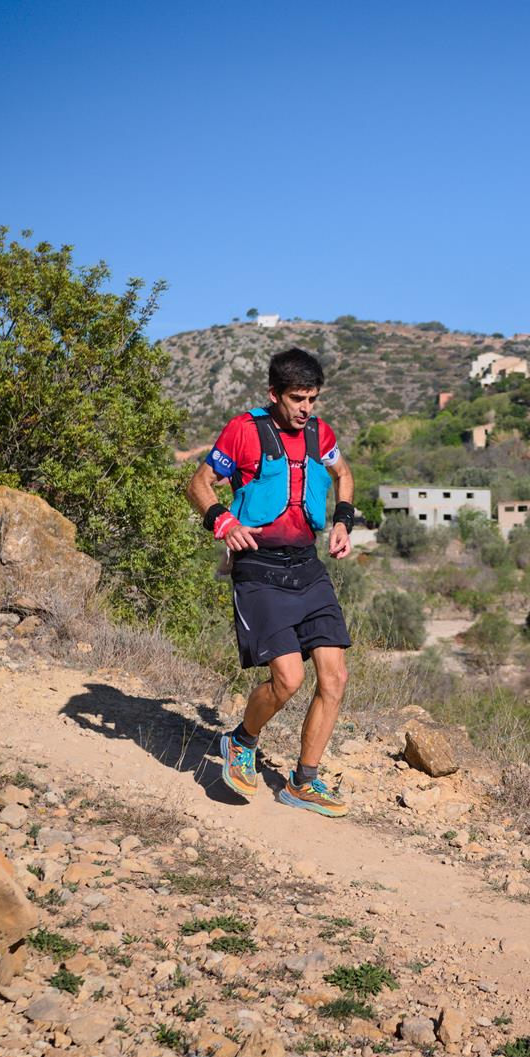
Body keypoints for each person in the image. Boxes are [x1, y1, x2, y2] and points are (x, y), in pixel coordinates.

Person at [185, 347, 356, 817]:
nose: (306, 409)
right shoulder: (243, 431)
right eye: (298, 399)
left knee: (335, 676)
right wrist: (222, 521)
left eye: (313, 399)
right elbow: (198, 484)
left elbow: (343, 474)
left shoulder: (320, 433)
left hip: (307, 566)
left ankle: (303, 782)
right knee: (288, 679)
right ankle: (241, 741)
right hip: (259, 569)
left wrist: (343, 522)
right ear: (274, 394)